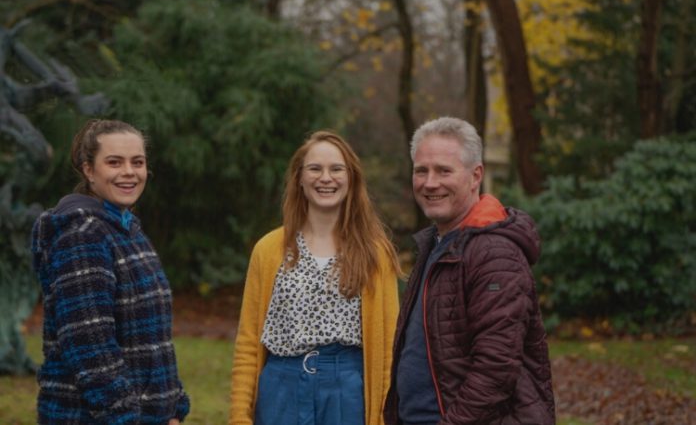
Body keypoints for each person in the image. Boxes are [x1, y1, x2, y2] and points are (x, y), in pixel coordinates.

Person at [384, 117, 555, 425]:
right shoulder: (438, 243)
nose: (430, 183)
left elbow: (496, 367)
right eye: (421, 170)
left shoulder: (493, 253)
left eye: (444, 171)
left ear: (476, 176)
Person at [229, 131, 401, 425]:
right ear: (299, 177)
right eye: (315, 168)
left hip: (345, 391)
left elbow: (388, 347)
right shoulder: (268, 250)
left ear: (351, 178)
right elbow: (247, 342)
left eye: (336, 169)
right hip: (280, 389)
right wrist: (239, 416)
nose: (326, 178)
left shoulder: (375, 253)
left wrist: (385, 416)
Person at [31, 119, 190, 424]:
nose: (129, 172)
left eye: (137, 162)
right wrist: (126, 417)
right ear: (89, 170)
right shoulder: (82, 236)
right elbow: (90, 346)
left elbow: (153, 339)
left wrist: (172, 407)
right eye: (114, 162)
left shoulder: (127, 230)